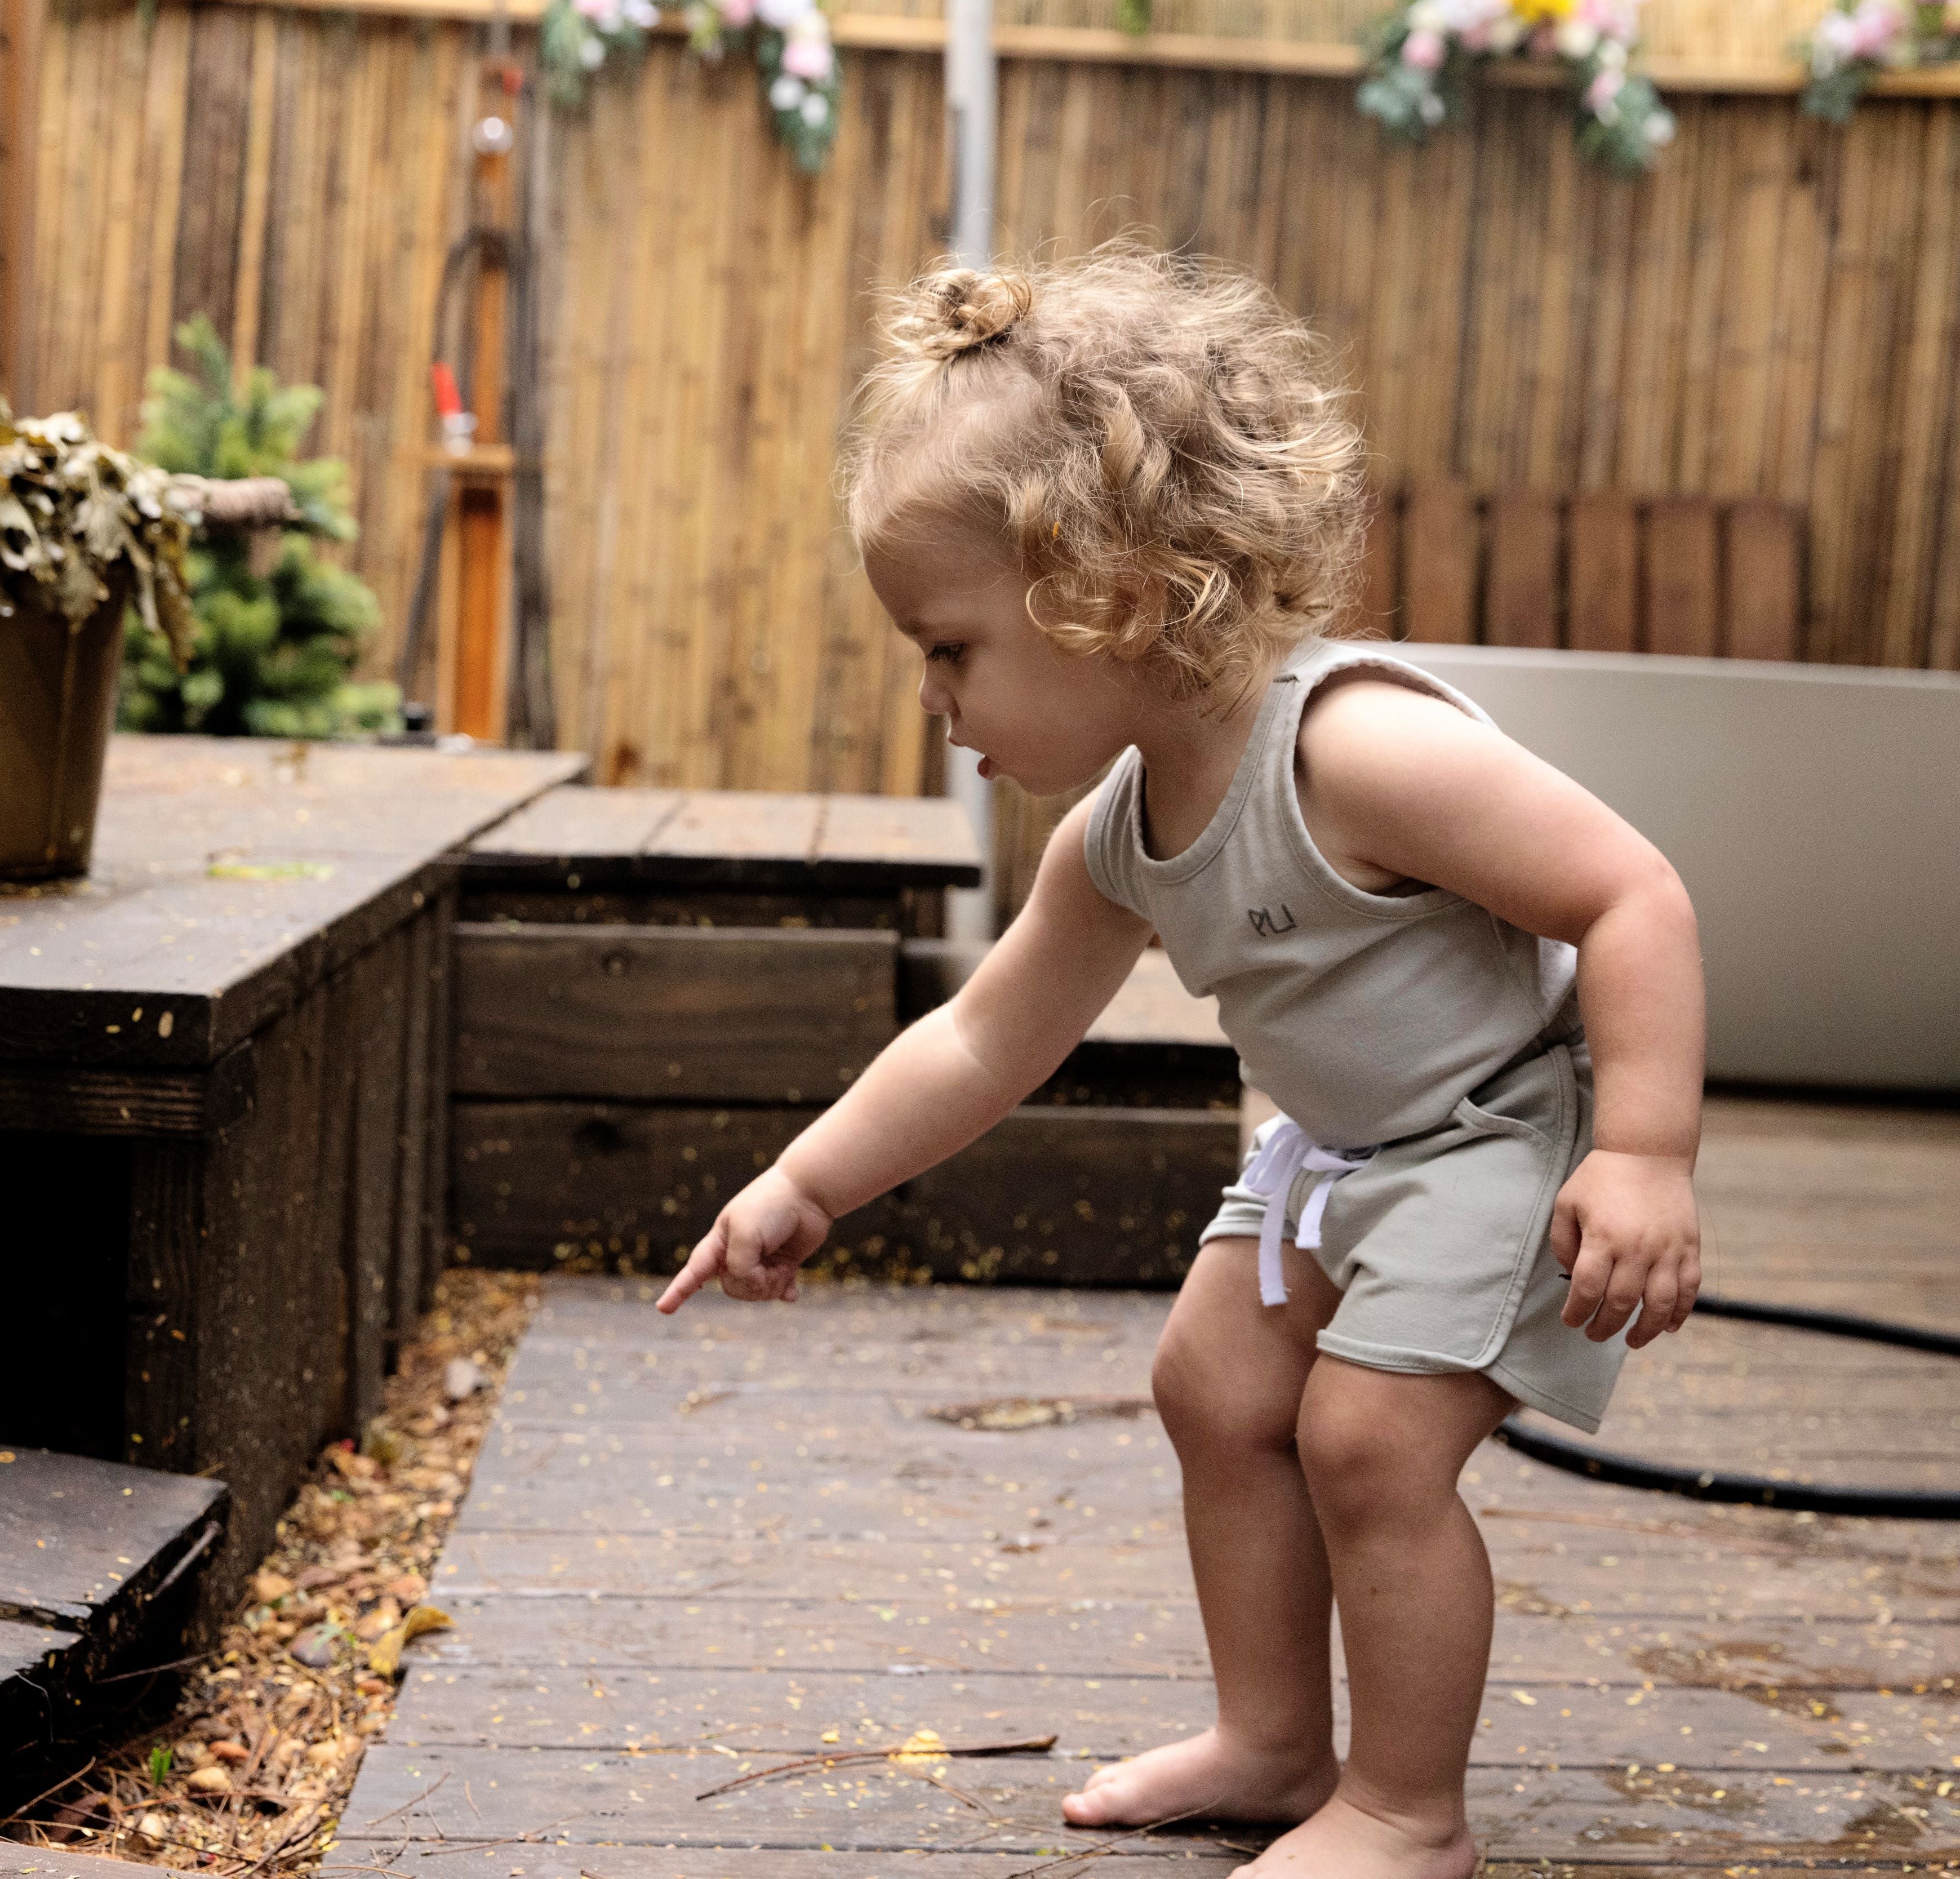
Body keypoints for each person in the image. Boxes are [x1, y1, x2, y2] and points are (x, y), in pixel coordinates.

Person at [655, 245, 1705, 1879]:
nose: (932, 700)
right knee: (1212, 1387)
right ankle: (1278, 1747)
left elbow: (1631, 893)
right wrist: (808, 1182)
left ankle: (1409, 1814)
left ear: (1109, 594)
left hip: (1501, 1138)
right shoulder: (1119, 831)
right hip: (1344, 1157)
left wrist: (1644, 1154)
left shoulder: (1353, 747)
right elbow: (984, 1037)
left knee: (1368, 1443)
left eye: (949, 648)